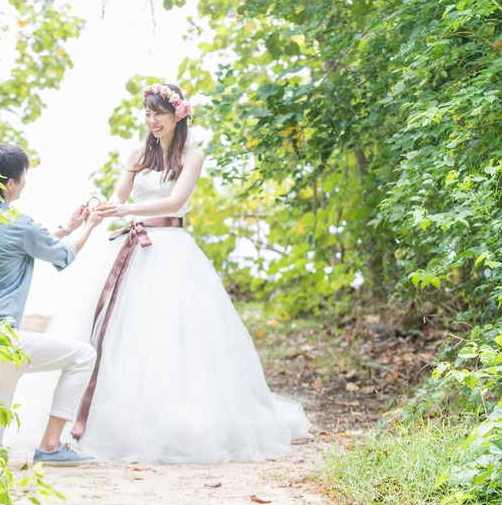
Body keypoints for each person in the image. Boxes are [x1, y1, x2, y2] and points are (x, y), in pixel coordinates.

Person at [52, 83, 310, 463]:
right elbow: (120, 197)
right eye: (147, 113)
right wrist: (102, 209)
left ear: (178, 116)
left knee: (172, 332)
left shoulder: (193, 155)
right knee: (124, 331)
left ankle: (174, 418)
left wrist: (126, 213)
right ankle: (108, 420)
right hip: (129, 247)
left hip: (169, 248)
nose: (152, 121)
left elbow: (175, 201)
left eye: (159, 113)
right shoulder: (137, 153)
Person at [0, 142, 102, 466]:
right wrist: (89, 226)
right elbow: (60, 255)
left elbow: (27, 243)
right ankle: (50, 445)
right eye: (23, 176)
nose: (24, 182)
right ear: (9, 183)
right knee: (83, 356)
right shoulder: (19, 223)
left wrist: (69, 226)